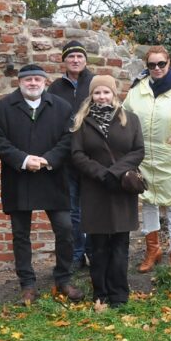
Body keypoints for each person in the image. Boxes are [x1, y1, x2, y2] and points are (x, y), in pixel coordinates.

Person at [0, 64, 83, 304]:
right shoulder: (4, 107)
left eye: (37, 79)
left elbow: (69, 138)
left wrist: (47, 159)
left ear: (45, 82)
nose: (33, 83)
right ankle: (28, 285)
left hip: (52, 176)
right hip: (19, 177)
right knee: (20, 235)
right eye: (28, 79)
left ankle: (63, 279)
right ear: (20, 82)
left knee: (65, 229)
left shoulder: (61, 107)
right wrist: (23, 159)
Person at [122, 45, 171, 278]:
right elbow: (125, 115)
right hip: (144, 158)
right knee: (149, 204)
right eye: (152, 65)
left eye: (161, 64)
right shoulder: (138, 90)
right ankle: (152, 251)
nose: (156, 68)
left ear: (169, 63)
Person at [70, 75, 144, 308]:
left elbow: (138, 151)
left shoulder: (129, 120)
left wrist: (115, 173)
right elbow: (77, 155)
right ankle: (100, 292)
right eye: (97, 93)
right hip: (95, 190)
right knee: (99, 246)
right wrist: (102, 174)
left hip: (122, 189)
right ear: (91, 96)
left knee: (120, 245)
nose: (102, 97)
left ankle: (119, 294)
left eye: (106, 92)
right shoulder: (82, 121)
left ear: (114, 94)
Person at [47, 40, 94, 272]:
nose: (75, 60)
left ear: (86, 60)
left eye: (79, 56)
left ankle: (94, 252)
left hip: (91, 155)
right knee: (73, 210)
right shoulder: (55, 88)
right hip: (67, 157)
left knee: (93, 206)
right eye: (71, 56)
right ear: (64, 60)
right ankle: (77, 253)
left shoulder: (95, 84)